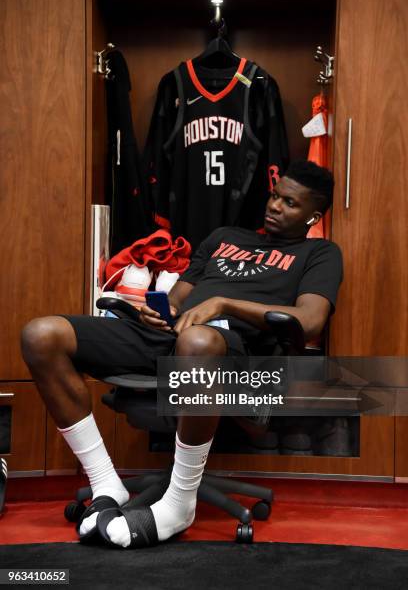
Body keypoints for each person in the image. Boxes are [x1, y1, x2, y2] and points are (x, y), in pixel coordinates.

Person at [21, 159, 342, 549]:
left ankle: (178, 504)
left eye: (290, 203)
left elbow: (310, 321)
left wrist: (225, 305)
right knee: (42, 334)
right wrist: (157, 312)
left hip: (234, 353)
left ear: (313, 216)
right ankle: (105, 482)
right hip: (172, 339)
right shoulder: (225, 236)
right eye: (275, 196)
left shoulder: (320, 254)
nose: (275, 206)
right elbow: (178, 299)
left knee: (198, 342)